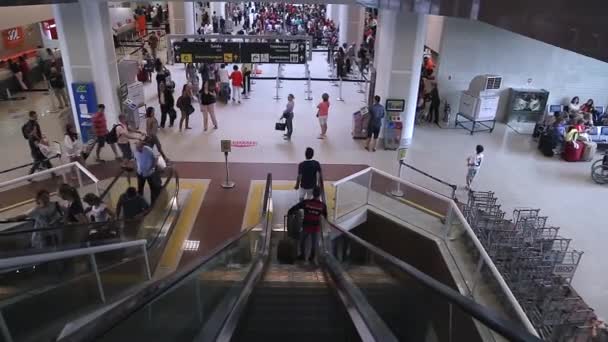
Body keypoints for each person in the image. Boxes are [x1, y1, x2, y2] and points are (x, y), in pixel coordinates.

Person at [287, 187, 327, 264]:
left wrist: (290, 213)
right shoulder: (322, 205)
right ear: (319, 195)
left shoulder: (306, 202)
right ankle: (311, 258)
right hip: (316, 227)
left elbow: (294, 208)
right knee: (314, 244)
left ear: (312, 194)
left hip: (306, 226)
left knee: (302, 242)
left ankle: (302, 255)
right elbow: (325, 216)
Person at [134, 140, 162, 204]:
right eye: (136, 148)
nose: (137, 149)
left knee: (152, 188)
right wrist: (136, 169)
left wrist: (152, 167)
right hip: (140, 173)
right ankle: (140, 202)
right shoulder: (135, 151)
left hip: (149, 173)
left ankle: (153, 202)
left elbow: (155, 159)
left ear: (142, 147)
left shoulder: (149, 150)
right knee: (140, 188)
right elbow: (135, 160)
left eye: (138, 148)